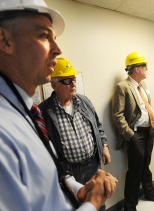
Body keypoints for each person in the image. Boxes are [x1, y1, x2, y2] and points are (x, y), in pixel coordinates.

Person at [0, 0, 118, 210]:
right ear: (4, 39)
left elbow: (47, 182)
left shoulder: (27, 114)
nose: (57, 49)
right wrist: (93, 203)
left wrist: (77, 190)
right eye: (44, 35)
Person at [39, 58, 111, 210]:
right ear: (54, 85)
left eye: (74, 79)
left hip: (93, 166)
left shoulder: (84, 101)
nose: (73, 84)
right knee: (76, 206)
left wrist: (104, 145)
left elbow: (98, 126)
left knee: (99, 204)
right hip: (68, 172)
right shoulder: (44, 111)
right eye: (67, 81)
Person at [112, 52, 154, 211]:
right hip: (135, 134)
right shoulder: (122, 87)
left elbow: (144, 107)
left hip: (148, 131)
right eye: (144, 66)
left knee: (146, 165)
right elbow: (117, 115)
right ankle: (130, 206)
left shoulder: (142, 85)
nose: (147, 69)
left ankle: (150, 193)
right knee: (135, 171)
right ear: (136, 68)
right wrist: (130, 136)